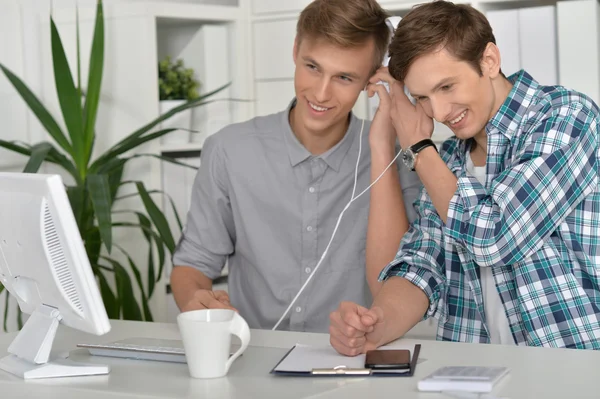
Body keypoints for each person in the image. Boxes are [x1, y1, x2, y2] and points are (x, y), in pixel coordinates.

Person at [329, 0, 600, 355]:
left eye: (447, 87)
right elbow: (422, 263)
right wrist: (379, 322)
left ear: (489, 61)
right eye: (422, 97)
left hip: (571, 372)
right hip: (475, 374)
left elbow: (496, 235)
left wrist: (418, 146)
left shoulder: (567, 117)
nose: (439, 112)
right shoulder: (449, 161)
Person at [170, 0, 422, 333]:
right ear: (295, 51)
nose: (320, 92)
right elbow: (192, 265)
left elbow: (393, 281)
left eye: (344, 77)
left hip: (354, 363)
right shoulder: (229, 151)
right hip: (251, 362)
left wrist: (381, 147)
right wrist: (195, 299)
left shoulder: (395, 157)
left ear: (371, 81)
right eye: (312, 67)